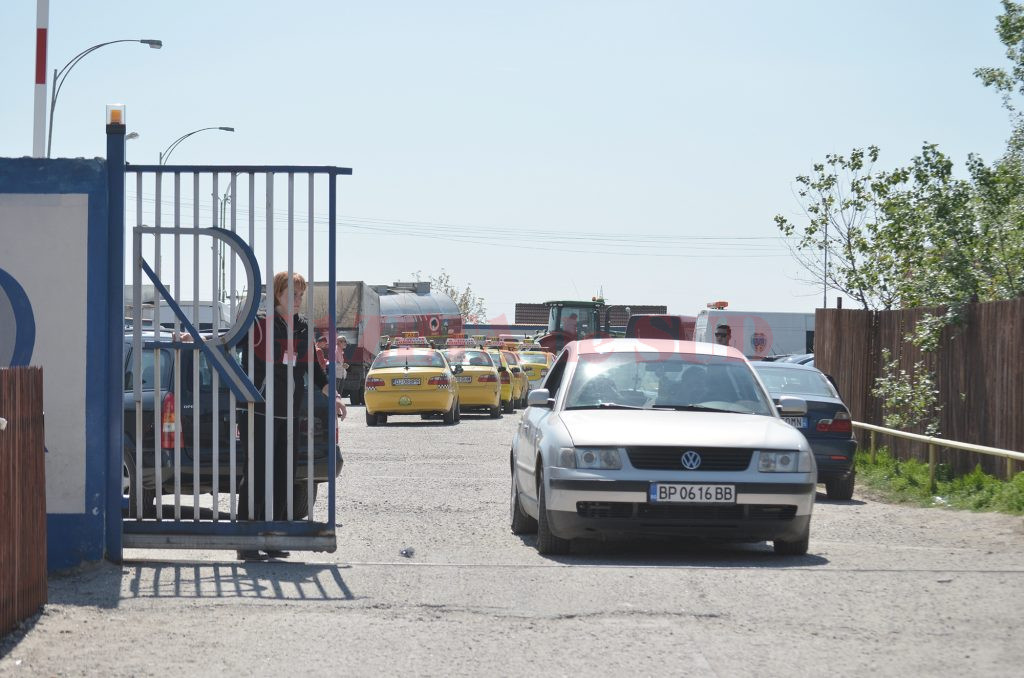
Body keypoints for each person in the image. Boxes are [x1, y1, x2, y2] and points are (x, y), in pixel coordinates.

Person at [236, 271, 346, 562]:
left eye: (300, 295)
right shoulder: (259, 327)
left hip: (289, 413)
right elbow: (227, 343)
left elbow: (316, 370)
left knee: (283, 476)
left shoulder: (302, 329)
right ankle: (246, 540)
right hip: (258, 411)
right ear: (277, 295)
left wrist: (333, 395)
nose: (297, 300)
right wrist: (193, 338)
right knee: (258, 474)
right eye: (291, 294)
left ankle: (274, 538)